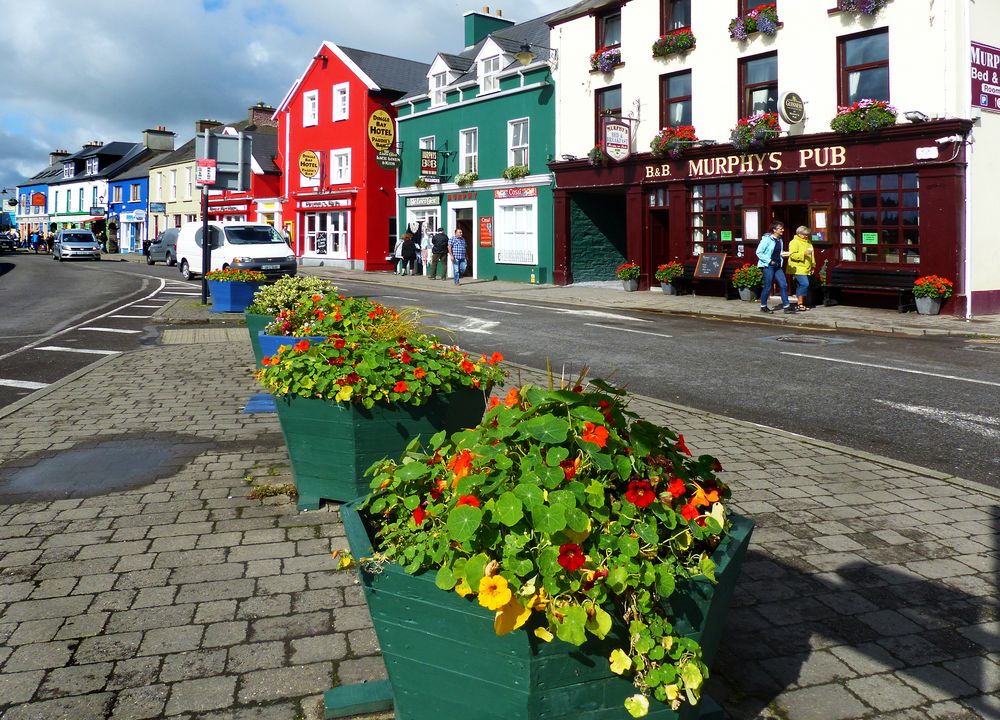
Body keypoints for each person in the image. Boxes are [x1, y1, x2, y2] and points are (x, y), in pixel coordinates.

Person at [755, 221, 796, 314]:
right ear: (774, 230)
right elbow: (759, 252)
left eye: (782, 228)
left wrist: (784, 254)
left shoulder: (779, 240)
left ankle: (786, 307)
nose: (783, 230)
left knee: (783, 285)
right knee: (768, 286)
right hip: (768, 266)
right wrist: (769, 261)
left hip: (777, 266)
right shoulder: (767, 239)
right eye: (780, 229)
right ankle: (763, 306)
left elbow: (777, 252)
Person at [787, 225, 816, 311]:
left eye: (807, 234)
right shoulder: (794, 242)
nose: (806, 236)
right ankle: (800, 303)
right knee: (804, 284)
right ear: (799, 234)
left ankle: (800, 303)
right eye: (804, 234)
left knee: (801, 285)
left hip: (806, 267)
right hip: (797, 267)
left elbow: (812, 256)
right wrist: (803, 254)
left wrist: (813, 265)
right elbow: (792, 255)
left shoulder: (808, 242)